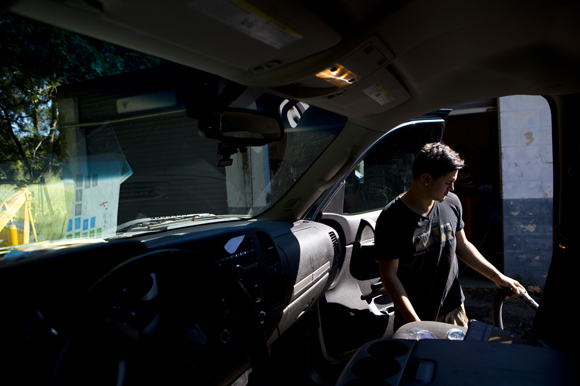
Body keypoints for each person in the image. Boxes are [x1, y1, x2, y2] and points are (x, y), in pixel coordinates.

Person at [375, 142, 524, 329]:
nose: (452, 188)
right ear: (426, 178)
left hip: (455, 309)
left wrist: (496, 276)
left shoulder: (451, 203)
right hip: (416, 316)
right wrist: (415, 323)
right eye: (448, 182)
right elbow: (389, 275)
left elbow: (462, 245)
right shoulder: (392, 219)